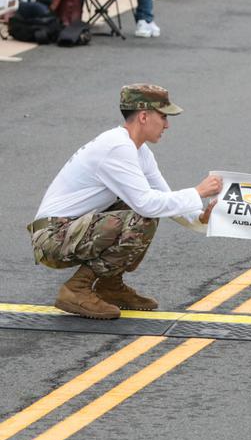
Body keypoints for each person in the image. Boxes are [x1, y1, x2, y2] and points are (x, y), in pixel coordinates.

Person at [27, 84, 223, 320]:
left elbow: (163, 196)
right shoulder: (116, 147)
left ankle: (109, 285)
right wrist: (198, 191)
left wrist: (198, 217)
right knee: (142, 215)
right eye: (163, 117)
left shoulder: (139, 151)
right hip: (52, 238)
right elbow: (148, 206)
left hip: (72, 229)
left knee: (144, 207)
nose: (167, 125)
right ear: (143, 116)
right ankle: (76, 289)